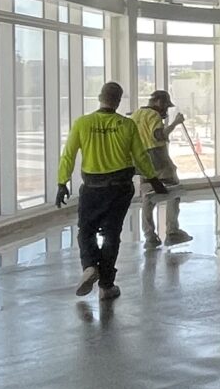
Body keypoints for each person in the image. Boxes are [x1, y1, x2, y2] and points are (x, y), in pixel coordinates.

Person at [55, 81, 169, 301]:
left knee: (85, 231)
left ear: (99, 97)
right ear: (118, 101)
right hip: (119, 189)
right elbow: (141, 157)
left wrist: (62, 183)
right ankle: (106, 286)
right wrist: (154, 180)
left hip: (92, 188)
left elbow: (68, 155)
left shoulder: (82, 123)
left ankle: (89, 266)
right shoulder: (126, 125)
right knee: (111, 234)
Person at [132, 89, 192, 249]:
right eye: (165, 106)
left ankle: (150, 236)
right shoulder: (154, 116)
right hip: (158, 158)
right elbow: (158, 135)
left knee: (148, 196)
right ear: (159, 102)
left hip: (140, 159)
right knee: (174, 191)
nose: (165, 110)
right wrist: (175, 123)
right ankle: (172, 232)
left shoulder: (136, 114)